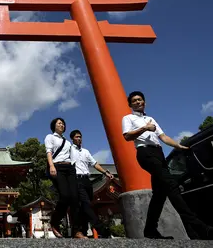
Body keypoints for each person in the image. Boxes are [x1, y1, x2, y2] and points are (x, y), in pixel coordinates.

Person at [122, 91, 213, 240]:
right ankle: (201, 228)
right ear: (130, 105)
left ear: (144, 102)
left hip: (158, 153)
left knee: (159, 194)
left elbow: (163, 137)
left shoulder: (151, 119)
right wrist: (144, 128)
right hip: (145, 153)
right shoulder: (128, 118)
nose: (138, 102)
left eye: (140, 100)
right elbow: (127, 136)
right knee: (171, 185)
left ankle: (150, 230)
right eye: (134, 101)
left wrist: (178, 146)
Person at [44, 117, 87, 239]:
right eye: (59, 123)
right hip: (57, 167)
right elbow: (49, 152)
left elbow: (73, 157)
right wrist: (51, 165)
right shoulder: (50, 137)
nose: (62, 125)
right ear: (54, 126)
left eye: (63, 123)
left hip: (70, 169)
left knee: (75, 199)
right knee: (65, 196)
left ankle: (77, 231)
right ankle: (55, 221)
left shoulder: (68, 142)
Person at [69, 129, 113, 238]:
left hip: (87, 180)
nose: (79, 139)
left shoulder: (86, 151)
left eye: (80, 137)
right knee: (86, 204)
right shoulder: (69, 150)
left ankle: (82, 231)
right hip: (76, 179)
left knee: (85, 206)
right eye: (77, 137)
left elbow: (94, 163)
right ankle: (100, 228)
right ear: (72, 139)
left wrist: (105, 172)